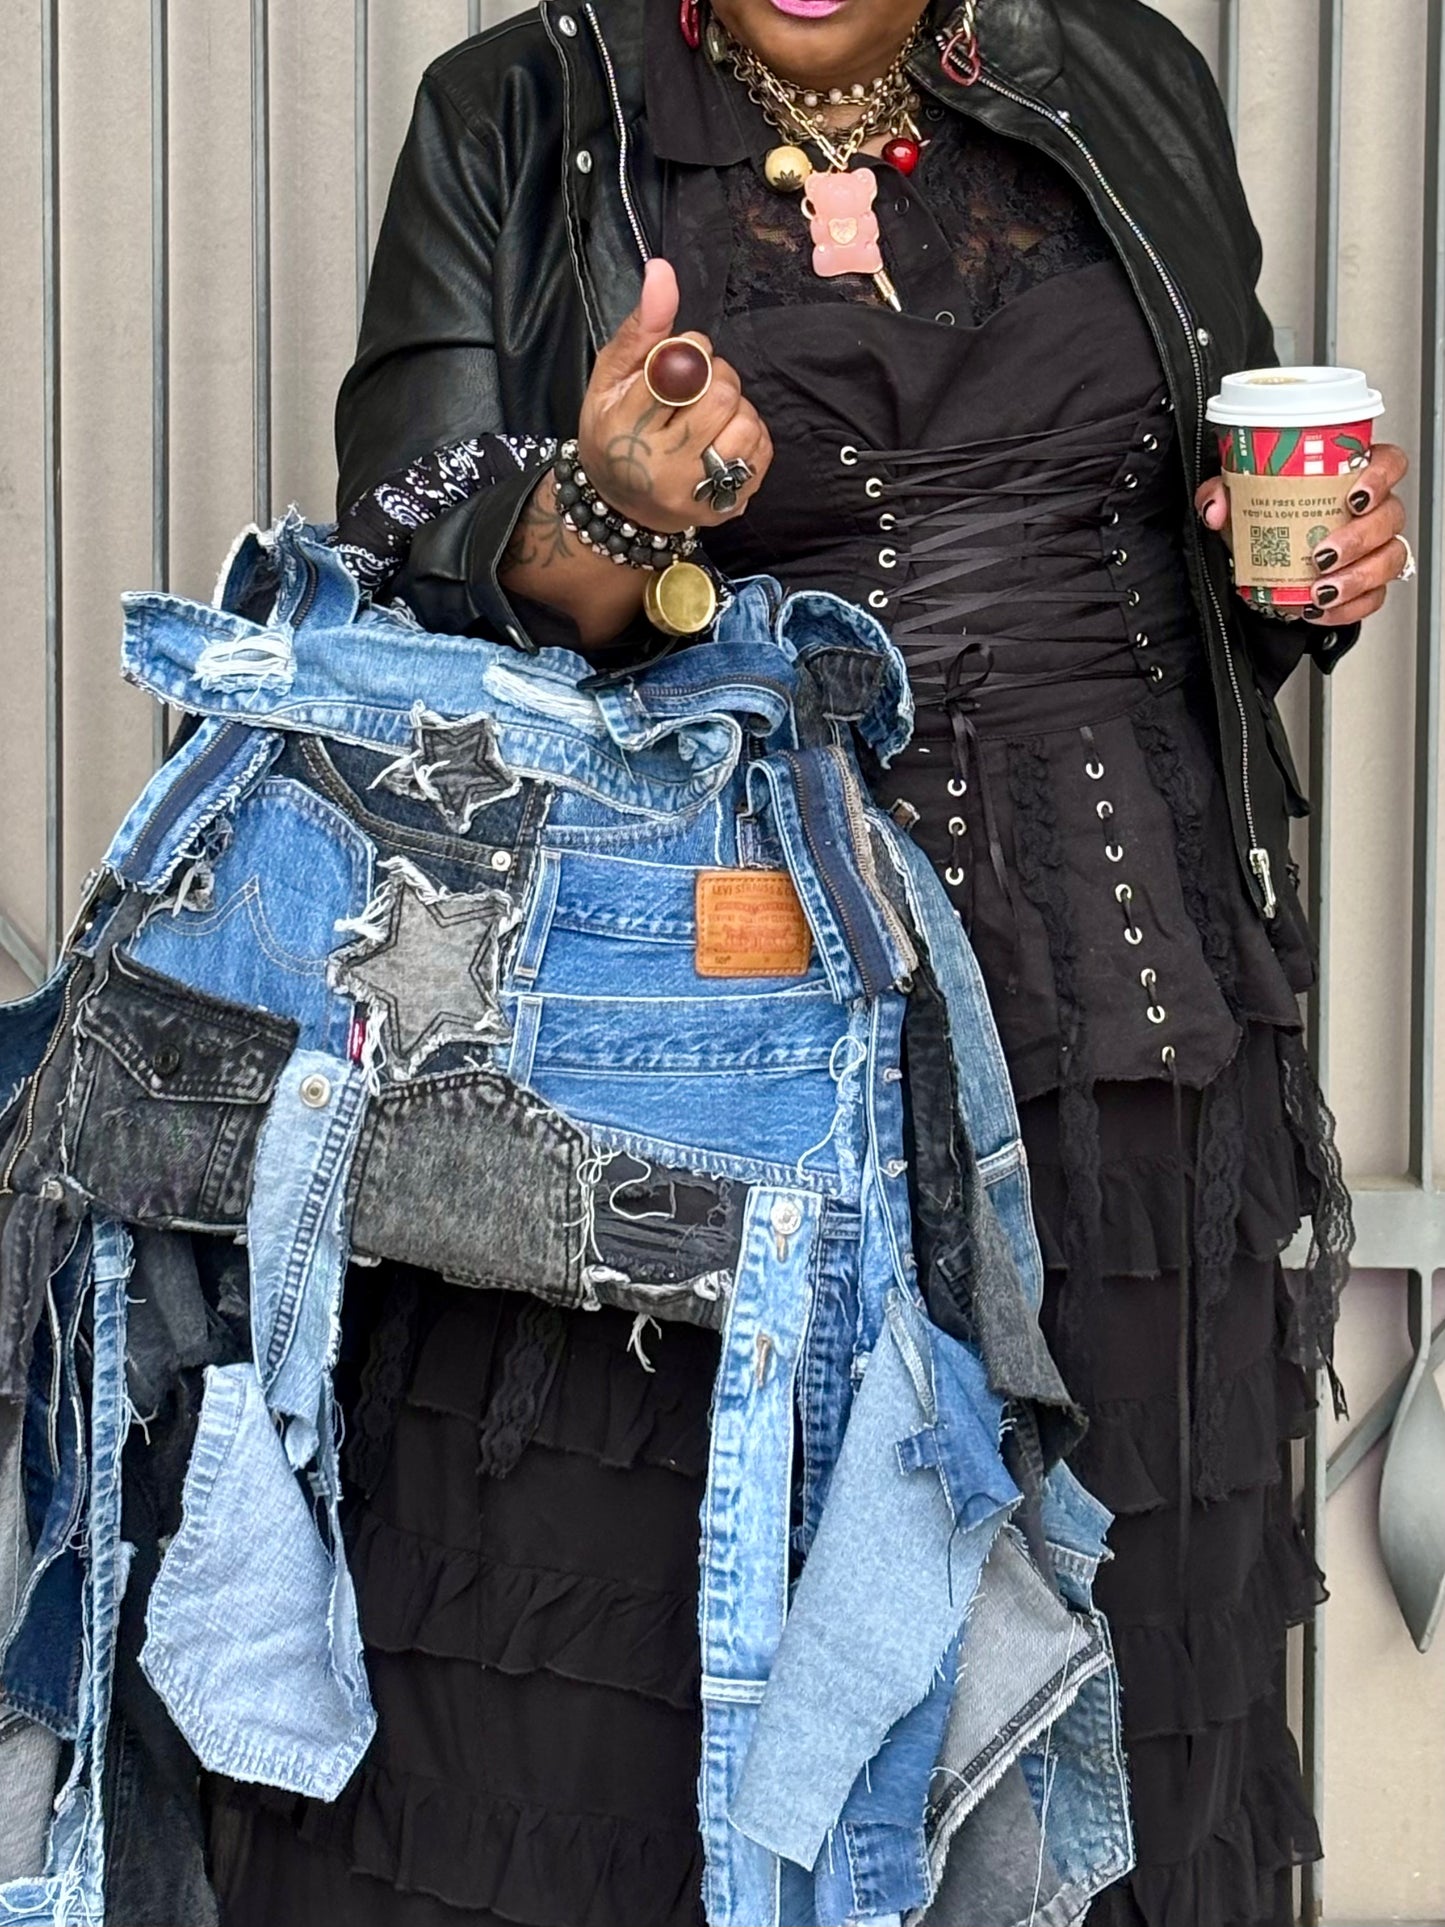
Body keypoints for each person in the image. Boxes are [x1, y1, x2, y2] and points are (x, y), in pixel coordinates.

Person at [205, 0, 1413, 1922]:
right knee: (657, 1717)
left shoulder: (1118, 80)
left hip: (1113, 1024)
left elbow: (1200, 536)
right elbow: (405, 556)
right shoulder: (521, 110)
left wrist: (1308, 568)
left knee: (1092, 1703)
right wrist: (595, 510)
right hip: (700, 1044)